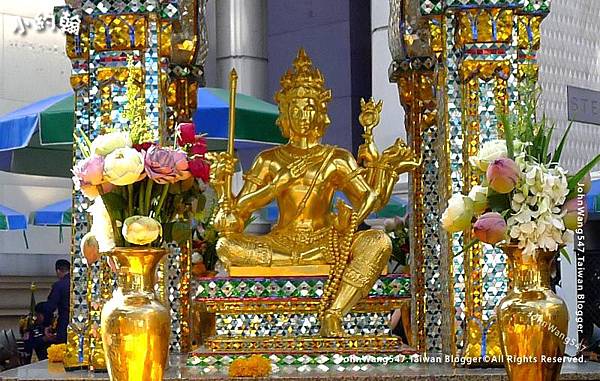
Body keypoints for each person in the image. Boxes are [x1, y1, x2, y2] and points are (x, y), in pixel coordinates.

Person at [210, 49, 419, 337]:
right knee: (226, 246)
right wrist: (266, 185)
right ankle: (295, 261)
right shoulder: (269, 159)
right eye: (294, 108)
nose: (302, 115)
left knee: (379, 240)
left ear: (320, 111)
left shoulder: (336, 158)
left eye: (308, 107)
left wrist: (386, 169)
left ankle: (335, 312)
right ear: (284, 112)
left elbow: (373, 201)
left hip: (325, 242)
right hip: (280, 242)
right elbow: (237, 219)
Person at [45, 259, 70, 344]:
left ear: (58, 271)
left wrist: (47, 324)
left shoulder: (59, 285)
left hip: (64, 323)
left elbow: (51, 306)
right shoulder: (80, 284)